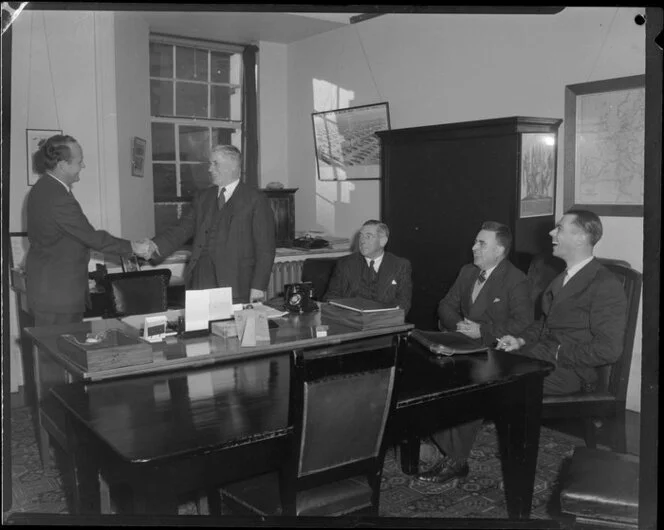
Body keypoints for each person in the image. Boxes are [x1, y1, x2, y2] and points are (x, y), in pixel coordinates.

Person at [417, 221, 534, 484]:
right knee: (423, 373)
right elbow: (445, 305)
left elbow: (523, 324)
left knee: (466, 386)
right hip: (461, 343)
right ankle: (440, 442)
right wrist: (457, 324)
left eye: (481, 243)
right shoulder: (467, 271)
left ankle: (456, 459)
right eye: (475, 241)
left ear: (500, 250)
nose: (474, 247)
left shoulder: (516, 280)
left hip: (495, 352)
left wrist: (482, 331)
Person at [25, 134, 153, 327]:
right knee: (60, 355)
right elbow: (91, 237)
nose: (83, 166)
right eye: (79, 161)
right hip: (58, 297)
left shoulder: (44, 188)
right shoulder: (57, 197)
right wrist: (133, 247)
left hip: (52, 293)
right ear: (62, 165)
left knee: (56, 354)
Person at [497, 209, 627, 395]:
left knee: (493, 382)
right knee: (489, 366)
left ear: (580, 238)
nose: (551, 233)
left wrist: (559, 353)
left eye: (559, 228)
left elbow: (609, 349)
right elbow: (545, 324)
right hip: (542, 357)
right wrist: (520, 340)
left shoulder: (604, 284)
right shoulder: (562, 278)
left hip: (571, 372)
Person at [149, 145, 276, 303]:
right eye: (210, 163)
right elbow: (181, 230)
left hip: (236, 284)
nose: (209, 169)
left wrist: (258, 287)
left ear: (233, 166)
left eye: (215, 163)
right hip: (200, 279)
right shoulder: (203, 197)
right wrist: (152, 247)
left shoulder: (256, 200)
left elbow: (265, 249)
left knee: (231, 328)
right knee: (199, 327)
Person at [323, 220, 412, 314]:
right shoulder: (345, 263)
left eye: (368, 236)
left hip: (383, 322)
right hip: (350, 320)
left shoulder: (400, 265)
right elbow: (331, 297)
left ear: (383, 241)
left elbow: (403, 303)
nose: (362, 241)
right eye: (361, 236)